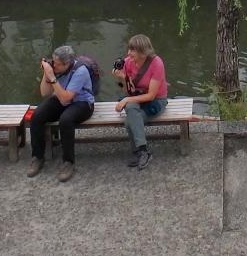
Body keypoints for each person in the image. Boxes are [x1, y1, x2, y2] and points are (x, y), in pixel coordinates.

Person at [29, 45, 95, 182]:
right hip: (61, 97)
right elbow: (45, 93)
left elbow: (66, 98)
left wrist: (52, 77)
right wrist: (46, 74)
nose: (54, 65)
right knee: (37, 116)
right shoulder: (55, 68)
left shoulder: (80, 71)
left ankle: (68, 162)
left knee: (66, 120)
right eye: (53, 62)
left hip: (82, 103)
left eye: (57, 64)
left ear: (67, 64)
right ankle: (38, 157)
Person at [111, 34, 168, 170]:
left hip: (156, 101)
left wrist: (126, 100)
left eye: (132, 50)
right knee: (131, 108)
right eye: (129, 49)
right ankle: (143, 152)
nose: (128, 53)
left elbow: (151, 96)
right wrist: (122, 78)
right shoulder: (128, 62)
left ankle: (139, 152)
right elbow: (129, 92)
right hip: (137, 98)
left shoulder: (156, 63)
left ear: (143, 51)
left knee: (129, 120)